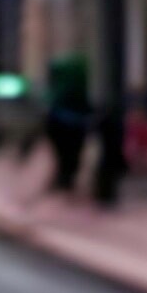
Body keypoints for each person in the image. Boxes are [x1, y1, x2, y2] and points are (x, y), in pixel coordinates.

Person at [42, 56, 91, 193]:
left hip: (64, 127)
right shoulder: (72, 91)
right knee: (70, 160)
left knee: (67, 160)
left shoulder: (60, 92)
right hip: (71, 127)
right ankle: (66, 183)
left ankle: (65, 183)